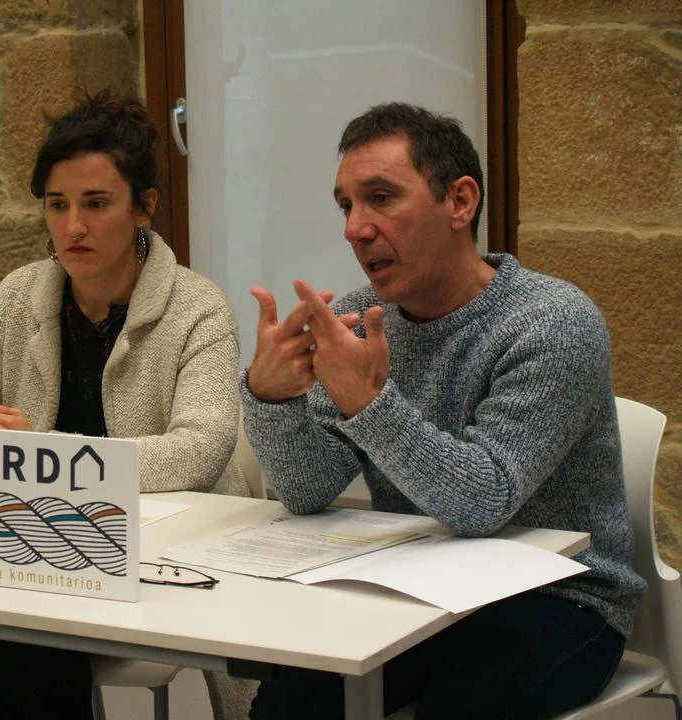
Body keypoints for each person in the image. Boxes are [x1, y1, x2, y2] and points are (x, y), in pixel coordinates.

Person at [241, 102, 644, 719]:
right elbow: (308, 489)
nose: (355, 229)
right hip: (417, 584)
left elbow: (483, 501)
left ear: (460, 202)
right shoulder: (360, 318)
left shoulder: (552, 322)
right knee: (290, 702)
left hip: (560, 593)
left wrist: (368, 403)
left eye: (381, 198)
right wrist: (273, 399)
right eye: (346, 206)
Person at [0, 89, 246, 719]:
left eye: (96, 204)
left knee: (22, 628)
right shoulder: (16, 297)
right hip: (40, 544)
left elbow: (199, 452)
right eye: (57, 204)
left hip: (167, 548)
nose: (73, 227)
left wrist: (41, 456)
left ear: (144, 207)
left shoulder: (197, 307)